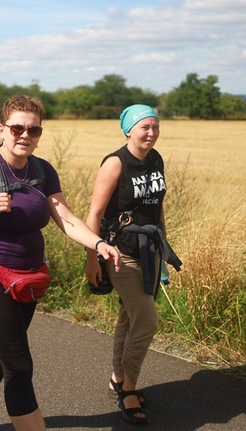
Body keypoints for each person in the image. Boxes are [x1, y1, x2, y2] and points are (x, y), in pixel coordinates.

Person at [0, 95, 121, 431]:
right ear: (2, 129)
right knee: (18, 366)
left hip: (29, 279)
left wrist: (99, 243)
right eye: (17, 127)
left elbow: (65, 217)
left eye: (33, 130)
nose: (25, 135)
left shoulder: (42, 170)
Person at [84, 104, 181, 425]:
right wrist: (91, 259)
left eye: (155, 126)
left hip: (150, 250)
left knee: (129, 315)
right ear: (129, 130)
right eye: (144, 127)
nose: (151, 133)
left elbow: (158, 207)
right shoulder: (115, 163)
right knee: (147, 322)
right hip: (119, 253)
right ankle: (129, 388)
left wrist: (164, 248)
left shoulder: (156, 159)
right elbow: (94, 215)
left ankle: (117, 377)